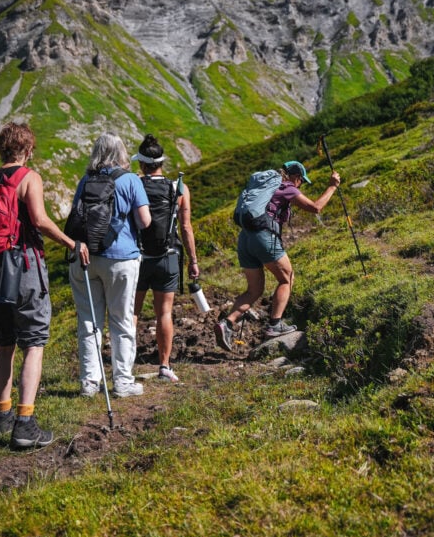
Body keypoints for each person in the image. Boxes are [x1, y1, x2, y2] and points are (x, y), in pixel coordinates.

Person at [0, 121, 89, 450]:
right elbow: (38, 220)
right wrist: (72, 244)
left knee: (4, 343)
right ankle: (25, 424)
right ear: (27, 150)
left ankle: (3, 415)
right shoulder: (29, 178)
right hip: (22, 267)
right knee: (34, 343)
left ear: (2, 149)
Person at [214, 160, 340, 352]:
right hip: (263, 236)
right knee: (286, 278)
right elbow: (316, 207)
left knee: (254, 290)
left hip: (245, 238)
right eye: (301, 181)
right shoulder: (286, 187)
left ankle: (227, 324)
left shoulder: (264, 187)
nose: (300, 185)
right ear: (296, 177)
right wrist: (332, 186)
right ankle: (275, 325)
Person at [69, 132, 151, 398]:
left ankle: (89, 382)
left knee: (88, 321)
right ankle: (123, 382)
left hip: (86, 258)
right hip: (121, 259)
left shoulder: (86, 180)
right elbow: (144, 221)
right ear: (121, 153)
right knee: (121, 320)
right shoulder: (131, 180)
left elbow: (76, 215)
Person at [132, 134, 200, 383]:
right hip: (168, 257)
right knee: (164, 313)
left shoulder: (134, 185)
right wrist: (193, 260)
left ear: (142, 164)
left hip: (138, 257)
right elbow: (186, 227)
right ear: (162, 162)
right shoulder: (178, 188)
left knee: (132, 312)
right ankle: (164, 366)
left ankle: (124, 367)